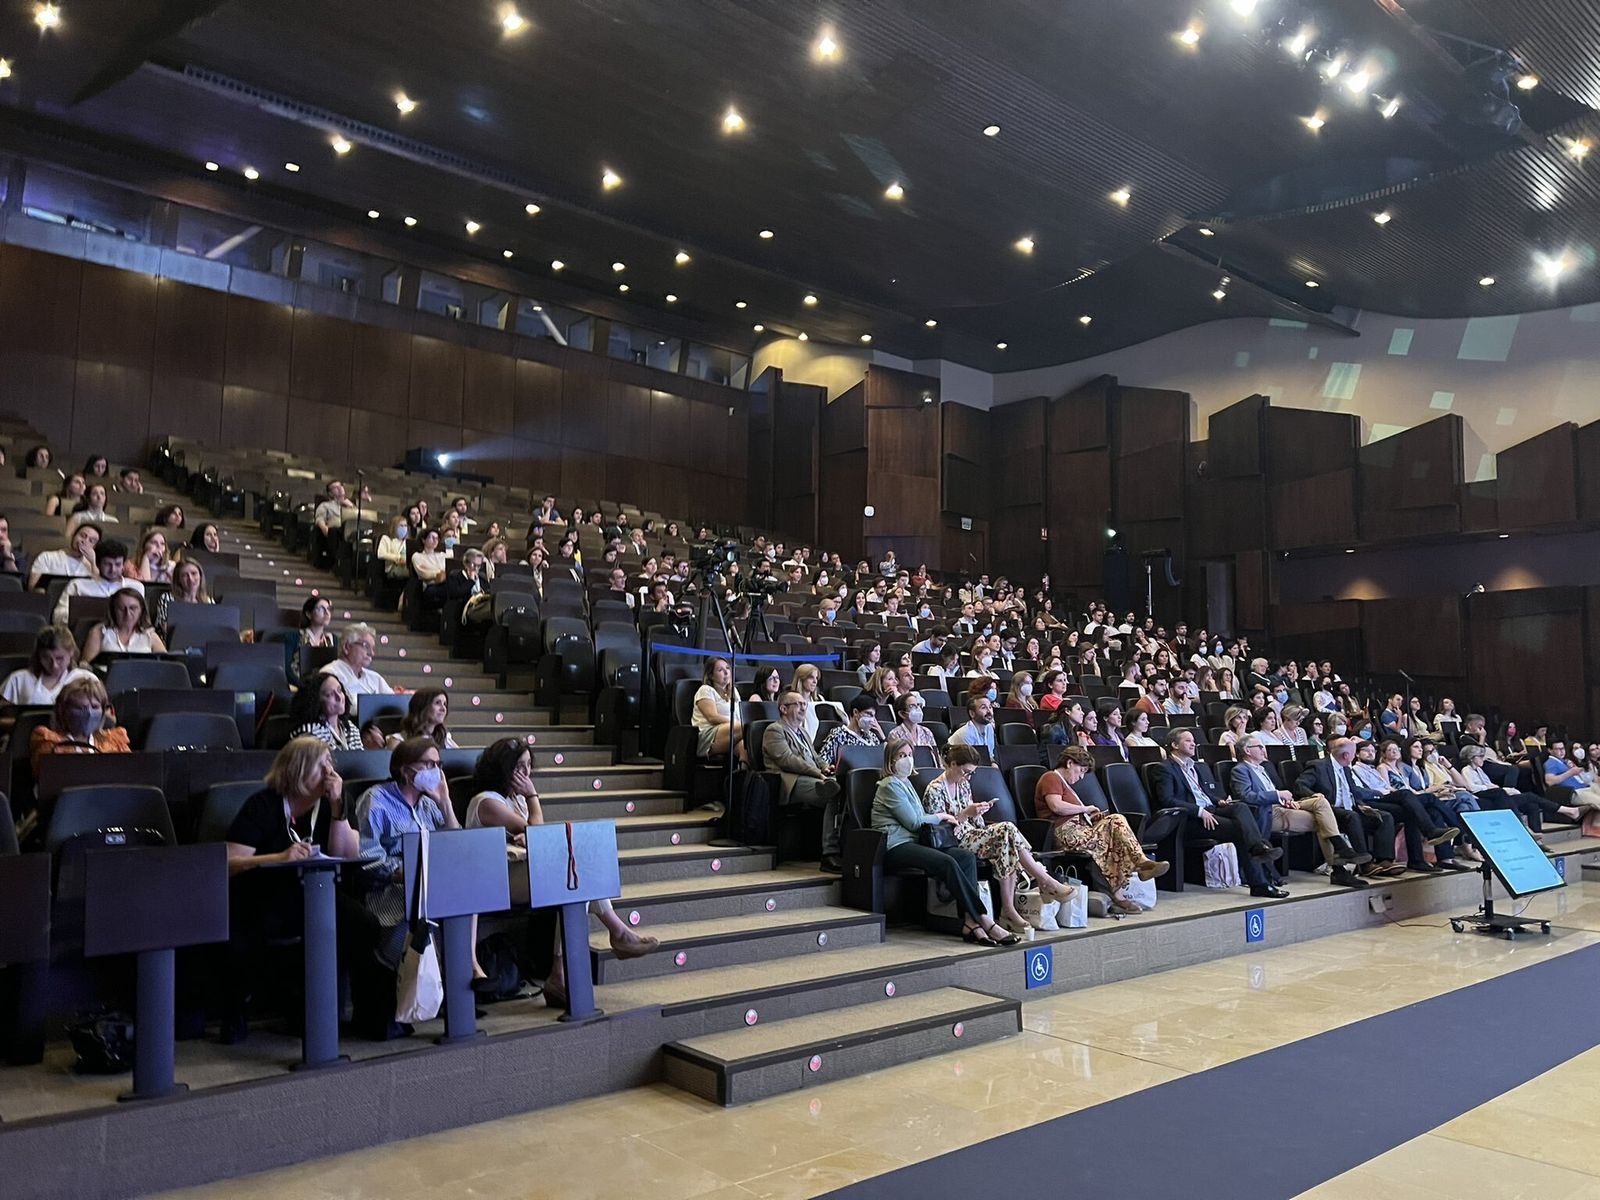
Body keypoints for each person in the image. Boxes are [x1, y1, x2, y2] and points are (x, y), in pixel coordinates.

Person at [466, 738, 655, 1005]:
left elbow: (536, 834)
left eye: (529, 766)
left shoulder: (514, 801)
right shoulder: (486, 801)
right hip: (493, 880)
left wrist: (530, 831)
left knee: (580, 875)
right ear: (503, 768)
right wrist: (532, 798)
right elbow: (539, 832)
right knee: (572, 876)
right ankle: (610, 937)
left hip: (520, 872)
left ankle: (570, 967)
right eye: (520, 766)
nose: (526, 774)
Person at [222, 738, 361, 1041]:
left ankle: (364, 1015)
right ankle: (243, 1010)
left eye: (331, 763)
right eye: (321, 764)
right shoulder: (263, 804)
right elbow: (230, 862)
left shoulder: (334, 803)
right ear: (298, 769)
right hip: (262, 896)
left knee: (362, 923)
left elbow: (347, 854)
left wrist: (339, 809)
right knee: (251, 935)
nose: (329, 772)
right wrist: (279, 857)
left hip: (316, 894)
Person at [353, 737, 464, 1038]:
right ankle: (400, 998)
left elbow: (455, 846)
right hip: (392, 889)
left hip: (433, 889)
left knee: (464, 908)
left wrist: (445, 801)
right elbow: (367, 857)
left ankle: (451, 998)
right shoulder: (375, 800)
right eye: (428, 764)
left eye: (438, 764)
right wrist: (406, 873)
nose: (435, 770)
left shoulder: (430, 805)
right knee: (412, 915)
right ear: (405, 770)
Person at [922, 744, 1077, 933]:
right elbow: (939, 827)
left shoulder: (963, 784)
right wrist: (964, 814)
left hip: (973, 834)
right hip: (954, 841)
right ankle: (1041, 883)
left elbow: (974, 822)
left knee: (1006, 844)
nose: (967, 777)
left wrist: (978, 811)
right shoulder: (935, 790)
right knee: (1007, 830)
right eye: (965, 772)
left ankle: (1010, 910)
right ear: (952, 764)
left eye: (971, 773)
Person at [872, 739, 1014, 944]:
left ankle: (969, 924)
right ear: (890, 760)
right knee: (946, 862)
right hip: (895, 845)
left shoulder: (905, 782)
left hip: (914, 842)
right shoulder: (889, 785)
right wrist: (941, 816)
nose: (907, 760)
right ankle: (984, 918)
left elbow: (918, 817)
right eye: (901, 756)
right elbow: (913, 822)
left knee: (965, 857)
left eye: (910, 755)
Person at [1149, 729, 1284, 895]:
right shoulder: (1164, 769)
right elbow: (1167, 800)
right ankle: (1260, 882)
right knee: (1241, 830)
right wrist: (1199, 811)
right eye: (1188, 741)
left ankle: (1258, 849)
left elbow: (1201, 792)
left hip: (1211, 809)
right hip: (1190, 819)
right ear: (1175, 745)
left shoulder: (1195, 767)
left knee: (1240, 807)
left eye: (1193, 741)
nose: (1193, 744)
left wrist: (1217, 800)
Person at [1035, 746, 1168, 912]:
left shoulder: (1066, 785)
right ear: (1069, 763)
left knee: (1113, 840)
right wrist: (1084, 809)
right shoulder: (1051, 777)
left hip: (1080, 830)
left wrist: (1091, 817)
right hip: (1064, 832)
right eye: (1080, 770)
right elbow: (1057, 806)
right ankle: (1139, 865)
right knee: (1117, 819)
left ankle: (1116, 894)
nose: (1081, 776)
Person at [1230, 735, 1367, 882]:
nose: (1263, 749)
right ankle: (1339, 866)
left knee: (1320, 801)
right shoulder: (1241, 770)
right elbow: (1245, 796)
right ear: (1247, 751)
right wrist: (1277, 795)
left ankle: (1340, 853)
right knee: (1324, 820)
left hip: (1283, 805)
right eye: (1259, 746)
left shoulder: (1263, 768)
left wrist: (1285, 800)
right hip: (1268, 812)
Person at [1346, 738, 1460, 872]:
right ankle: (1448, 829)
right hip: (1374, 800)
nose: (1371, 753)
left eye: (1373, 750)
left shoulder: (1373, 770)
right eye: (1366, 751)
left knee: (1421, 811)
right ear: (1357, 754)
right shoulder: (1355, 769)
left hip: (1386, 796)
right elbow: (1361, 791)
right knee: (1410, 795)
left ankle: (1425, 859)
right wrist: (1381, 793)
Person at [763, 690, 845, 872]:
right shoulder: (774, 730)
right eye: (798, 704)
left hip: (812, 777)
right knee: (834, 793)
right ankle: (829, 854)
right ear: (784, 708)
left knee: (845, 788)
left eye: (804, 704)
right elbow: (788, 761)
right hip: (789, 781)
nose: (803, 708)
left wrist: (824, 767)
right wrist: (818, 773)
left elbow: (815, 757)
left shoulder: (802, 732)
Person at [29, 675, 132, 772]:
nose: (89, 713)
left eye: (95, 707)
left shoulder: (114, 743)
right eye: (80, 707)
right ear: (63, 710)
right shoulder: (50, 743)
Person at [54, 538, 143, 624]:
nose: (113, 569)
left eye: (118, 564)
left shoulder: (136, 587)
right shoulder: (78, 585)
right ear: (98, 564)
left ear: (124, 564)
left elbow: (142, 618)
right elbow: (58, 616)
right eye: (107, 564)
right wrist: (83, 615)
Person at [82, 587, 167, 661]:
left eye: (133, 608)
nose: (127, 614)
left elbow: (166, 665)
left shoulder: (150, 635)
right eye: (121, 608)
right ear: (113, 610)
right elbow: (85, 666)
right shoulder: (99, 632)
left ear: (141, 610)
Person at [289, 672, 363, 751]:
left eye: (339, 690)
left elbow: (360, 761)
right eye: (329, 694)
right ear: (316, 702)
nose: (339, 698)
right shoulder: (309, 732)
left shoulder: (351, 728)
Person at [318, 622, 396, 696]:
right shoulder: (330, 674)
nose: (371, 653)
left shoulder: (375, 678)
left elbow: (395, 703)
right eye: (366, 646)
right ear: (347, 647)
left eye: (373, 648)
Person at [692, 656, 745, 763]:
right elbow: (713, 717)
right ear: (711, 675)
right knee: (747, 727)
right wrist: (737, 723)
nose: (726, 672)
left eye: (728, 668)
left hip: (733, 731)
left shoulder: (734, 691)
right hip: (708, 735)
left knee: (745, 748)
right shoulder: (705, 690)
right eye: (720, 670)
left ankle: (743, 777)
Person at [818, 692, 884, 770]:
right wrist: (827, 768)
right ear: (855, 712)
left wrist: (882, 736)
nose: (872, 719)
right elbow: (823, 759)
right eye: (868, 714)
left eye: (873, 716)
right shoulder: (838, 734)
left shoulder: (872, 737)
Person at [27, 521, 99, 590]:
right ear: (73, 535)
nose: (84, 541)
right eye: (82, 536)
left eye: (91, 541)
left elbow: (97, 590)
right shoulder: (47, 557)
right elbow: (32, 587)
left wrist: (93, 563)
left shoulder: (92, 566)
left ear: (94, 547)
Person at [156, 556, 213, 632]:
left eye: (194, 573)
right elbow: (165, 628)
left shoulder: (209, 601)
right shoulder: (167, 598)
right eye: (184, 575)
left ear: (200, 576)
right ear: (178, 580)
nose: (190, 579)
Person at [389, 688, 458, 749]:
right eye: (437, 703)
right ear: (422, 707)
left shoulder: (445, 739)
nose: (443, 709)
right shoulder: (398, 741)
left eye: (445, 704)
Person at [948, 693, 996, 759]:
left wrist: (993, 763)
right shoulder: (965, 734)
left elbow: (990, 755)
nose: (989, 711)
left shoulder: (989, 728)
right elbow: (971, 763)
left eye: (990, 707)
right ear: (972, 713)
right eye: (983, 708)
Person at [376, 515, 411, 580]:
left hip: (406, 567)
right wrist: (398, 558)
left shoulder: (407, 542)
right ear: (394, 527)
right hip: (392, 568)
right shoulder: (386, 538)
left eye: (405, 526)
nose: (404, 528)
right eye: (401, 526)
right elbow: (380, 554)